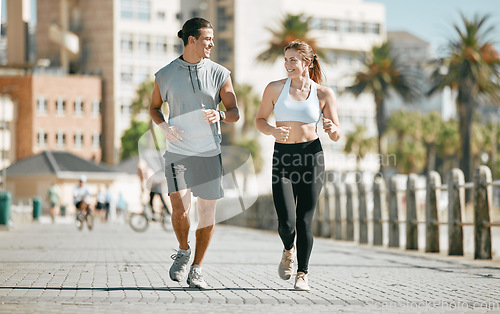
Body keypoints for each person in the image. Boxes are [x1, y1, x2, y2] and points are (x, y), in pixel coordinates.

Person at [149, 17, 239, 289]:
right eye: (207, 39)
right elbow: (154, 108)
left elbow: (235, 112)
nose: (211, 43)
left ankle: (197, 267)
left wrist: (221, 114)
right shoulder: (164, 74)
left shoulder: (220, 73)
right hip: (177, 151)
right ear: (191, 40)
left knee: (207, 211)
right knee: (179, 209)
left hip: (209, 152)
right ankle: (183, 250)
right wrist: (163, 126)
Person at [255, 40, 341, 291]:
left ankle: (302, 273)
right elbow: (260, 120)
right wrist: (272, 130)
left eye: (293, 59)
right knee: (286, 222)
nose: (288, 64)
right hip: (283, 156)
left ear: (307, 62)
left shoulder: (324, 93)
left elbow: (336, 133)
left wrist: (332, 129)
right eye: (286, 59)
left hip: (311, 157)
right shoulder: (274, 88)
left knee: (304, 220)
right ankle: (287, 250)